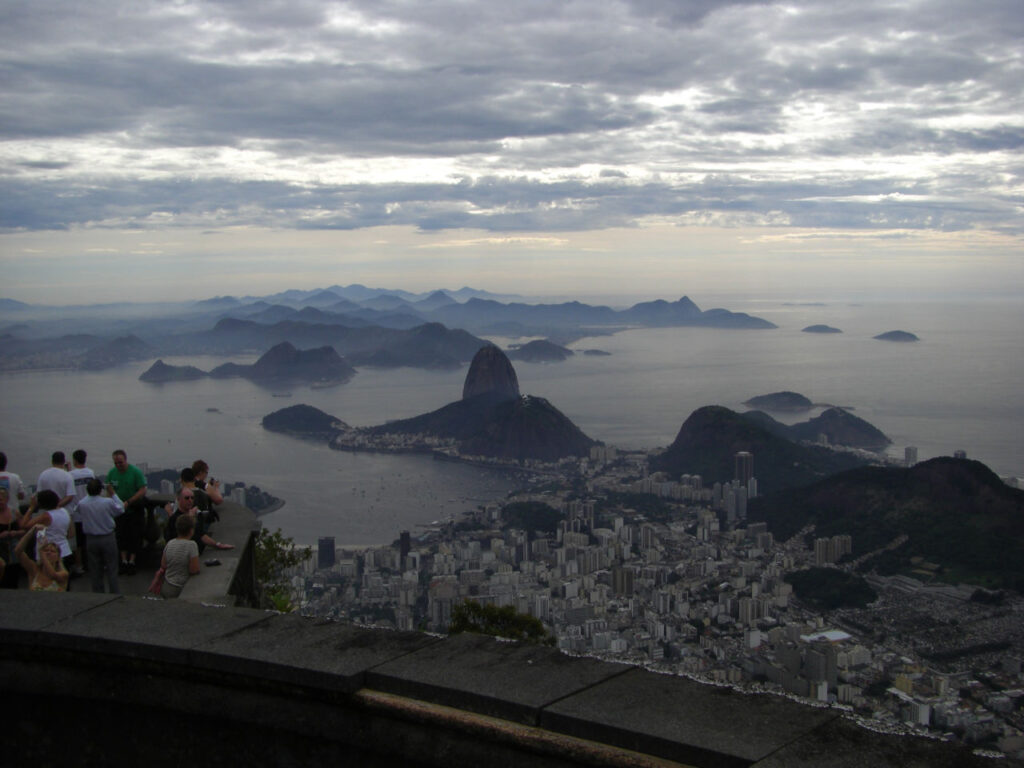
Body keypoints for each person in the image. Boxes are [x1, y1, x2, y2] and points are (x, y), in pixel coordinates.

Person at [77, 478, 124, 594]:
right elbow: (121, 508)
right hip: (107, 537)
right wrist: (113, 493)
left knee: (95, 569)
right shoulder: (107, 502)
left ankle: (98, 594)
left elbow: (76, 510)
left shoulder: (82, 504)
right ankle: (114, 593)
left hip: (91, 539)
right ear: (100, 490)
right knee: (112, 567)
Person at [106, 449, 147, 576]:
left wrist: (129, 501)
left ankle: (132, 561)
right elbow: (110, 488)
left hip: (134, 508)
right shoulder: (112, 473)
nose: (118, 465)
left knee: (135, 535)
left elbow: (142, 489)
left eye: (120, 462)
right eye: (116, 463)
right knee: (121, 535)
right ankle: (123, 560)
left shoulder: (135, 472)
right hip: (119, 511)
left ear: (125, 460)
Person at [164, 488, 234, 555]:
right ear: (179, 499)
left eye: (192, 498)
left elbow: (201, 535)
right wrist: (190, 518)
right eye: (187, 498)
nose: (190, 500)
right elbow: (180, 539)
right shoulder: (175, 519)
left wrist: (218, 545)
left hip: (196, 552)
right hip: (184, 555)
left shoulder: (195, 514)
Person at [20, 490, 74, 572]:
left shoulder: (46, 516)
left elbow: (24, 525)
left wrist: (31, 508)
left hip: (49, 554)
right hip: (65, 550)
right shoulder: (64, 511)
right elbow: (71, 533)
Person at [15, 524, 69, 592]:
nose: (48, 552)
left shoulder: (63, 573)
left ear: (58, 557)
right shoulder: (34, 569)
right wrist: (31, 531)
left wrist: (42, 552)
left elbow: (52, 575)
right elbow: (18, 551)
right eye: (46, 550)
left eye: (52, 551)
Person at [160, 514, 200, 599]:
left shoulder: (170, 543)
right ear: (191, 530)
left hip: (166, 586)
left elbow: (163, 565)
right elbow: (194, 570)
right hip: (180, 588)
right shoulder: (192, 545)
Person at [68, 449, 95, 575]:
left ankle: (79, 565)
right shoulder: (90, 473)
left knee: (78, 543)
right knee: (90, 540)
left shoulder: (71, 475)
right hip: (90, 512)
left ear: (74, 460)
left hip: (77, 512)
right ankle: (92, 564)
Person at [0, 488, 24, 588]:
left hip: (13, 551)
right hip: (0, 552)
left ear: (7, 499)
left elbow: (25, 530)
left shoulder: (15, 513)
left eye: (0, 499)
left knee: (13, 577)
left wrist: (15, 532)